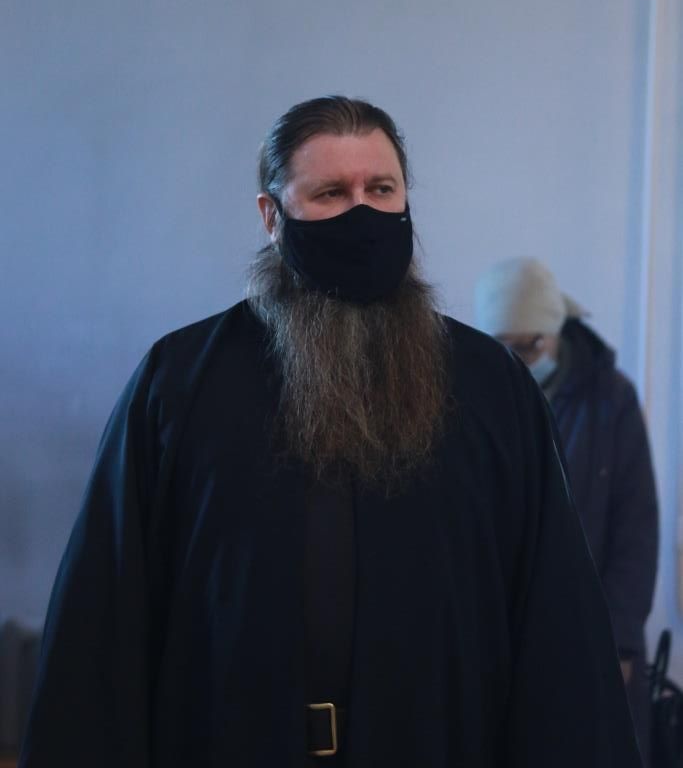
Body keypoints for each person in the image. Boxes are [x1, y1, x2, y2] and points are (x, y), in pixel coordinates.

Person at [20, 97, 642, 767]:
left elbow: (552, 615)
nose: (362, 213)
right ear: (272, 216)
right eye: (330, 193)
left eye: (382, 189)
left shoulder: (491, 387)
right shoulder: (179, 385)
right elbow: (107, 617)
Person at [475, 256, 659, 765]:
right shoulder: (476, 401)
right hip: (509, 643)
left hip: (594, 635)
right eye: (504, 347)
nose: (519, 359)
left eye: (530, 345)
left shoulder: (611, 400)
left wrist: (619, 644)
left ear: (555, 332)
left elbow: (636, 531)